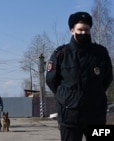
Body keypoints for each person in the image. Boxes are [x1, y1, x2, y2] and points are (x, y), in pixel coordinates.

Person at [46, 11, 113, 141]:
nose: (83, 33)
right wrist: (67, 98)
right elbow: (51, 80)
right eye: (80, 29)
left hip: (96, 114)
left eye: (86, 30)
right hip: (70, 116)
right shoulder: (61, 54)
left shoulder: (101, 53)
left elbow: (108, 78)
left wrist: (95, 94)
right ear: (72, 30)